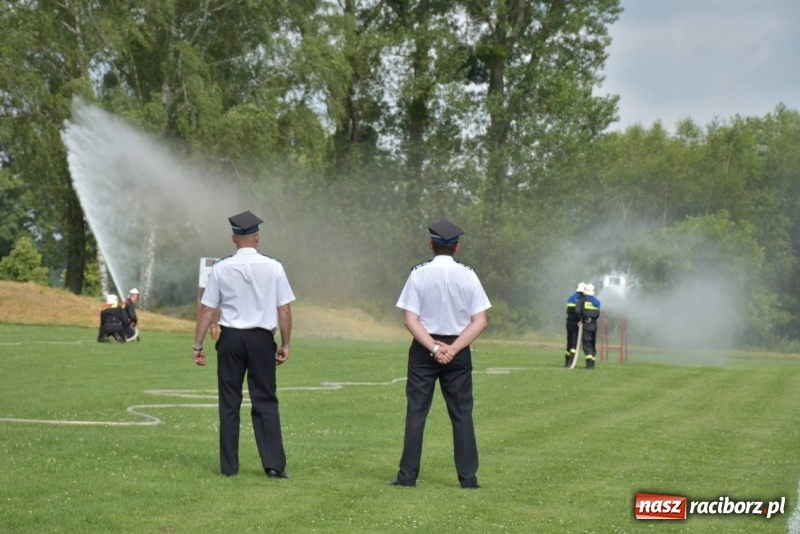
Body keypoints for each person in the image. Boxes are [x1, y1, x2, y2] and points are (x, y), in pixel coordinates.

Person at [387, 220, 491, 489]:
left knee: (416, 413)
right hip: (459, 349)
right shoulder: (469, 276)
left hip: (425, 349)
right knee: (462, 414)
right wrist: (453, 349)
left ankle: (407, 477)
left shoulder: (418, 274)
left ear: (431, 245)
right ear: (457, 247)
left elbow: (410, 320)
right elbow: (480, 321)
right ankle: (468, 479)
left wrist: (434, 348)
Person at [192, 210, 295, 479]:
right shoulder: (274, 266)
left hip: (231, 339)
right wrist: (285, 343)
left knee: (229, 401)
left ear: (233, 238)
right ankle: (273, 465)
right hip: (261, 339)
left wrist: (198, 345)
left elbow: (206, 310)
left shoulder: (221, 267)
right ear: (257, 237)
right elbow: (284, 310)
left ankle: (229, 468)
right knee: (265, 400)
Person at [576, 283, 601, 369]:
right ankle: (592, 363)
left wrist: (581, 319)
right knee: (592, 343)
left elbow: (577, 310)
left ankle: (589, 364)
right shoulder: (596, 301)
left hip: (586, 323)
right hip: (594, 324)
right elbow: (598, 314)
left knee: (587, 343)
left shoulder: (582, 299)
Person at [565, 282, 586, 367]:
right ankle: (571, 363)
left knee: (569, 343)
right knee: (575, 343)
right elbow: (579, 312)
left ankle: (567, 361)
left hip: (569, 322)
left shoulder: (571, 297)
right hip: (577, 323)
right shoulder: (581, 299)